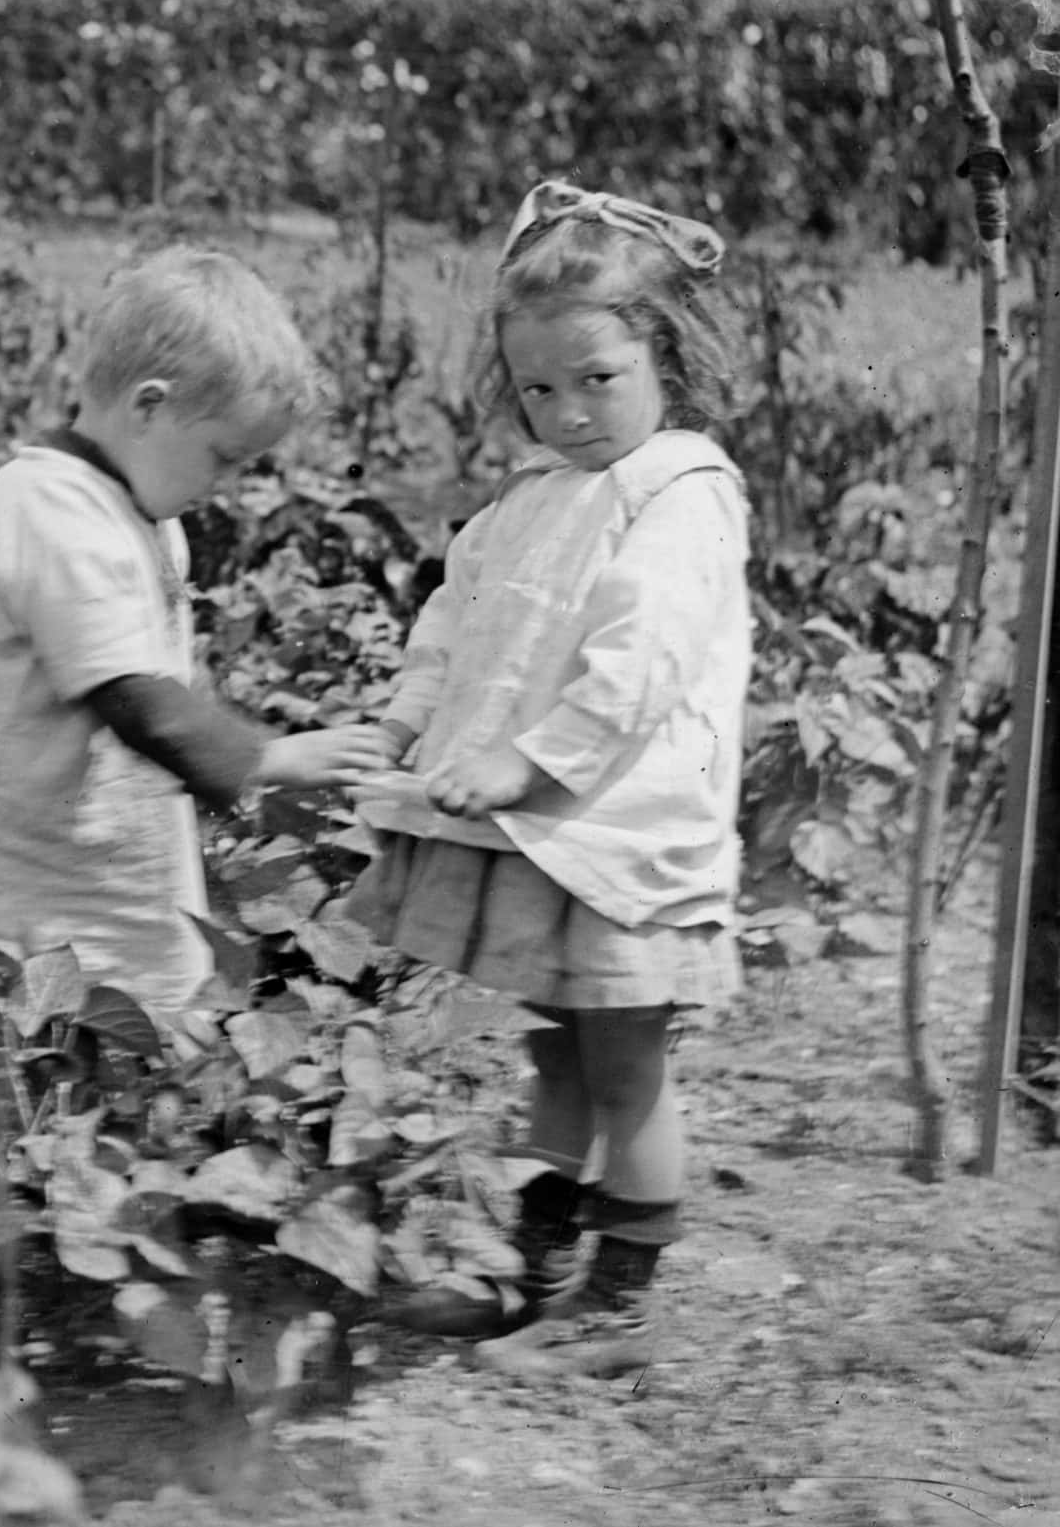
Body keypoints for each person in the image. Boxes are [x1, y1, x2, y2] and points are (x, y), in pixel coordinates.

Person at [0, 247, 401, 1014]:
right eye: (223, 457)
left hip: (61, 821)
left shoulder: (139, 514)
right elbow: (136, 697)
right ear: (147, 407)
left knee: (86, 1003)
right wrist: (269, 754)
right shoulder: (49, 508)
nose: (224, 485)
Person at [351, 178, 749, 1381]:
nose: (567, 413)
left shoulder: (679, 494)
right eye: (538, 389)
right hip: (543, 837)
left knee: (626, 1066)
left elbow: (638, 668)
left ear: (662, 361)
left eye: (597, 381)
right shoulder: (528, 500)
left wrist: (523, 760)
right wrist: (410, 716)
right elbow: (454, 621)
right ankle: (529, 1278)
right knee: (558, 1058)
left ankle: (621, 1308)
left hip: (618, 837)